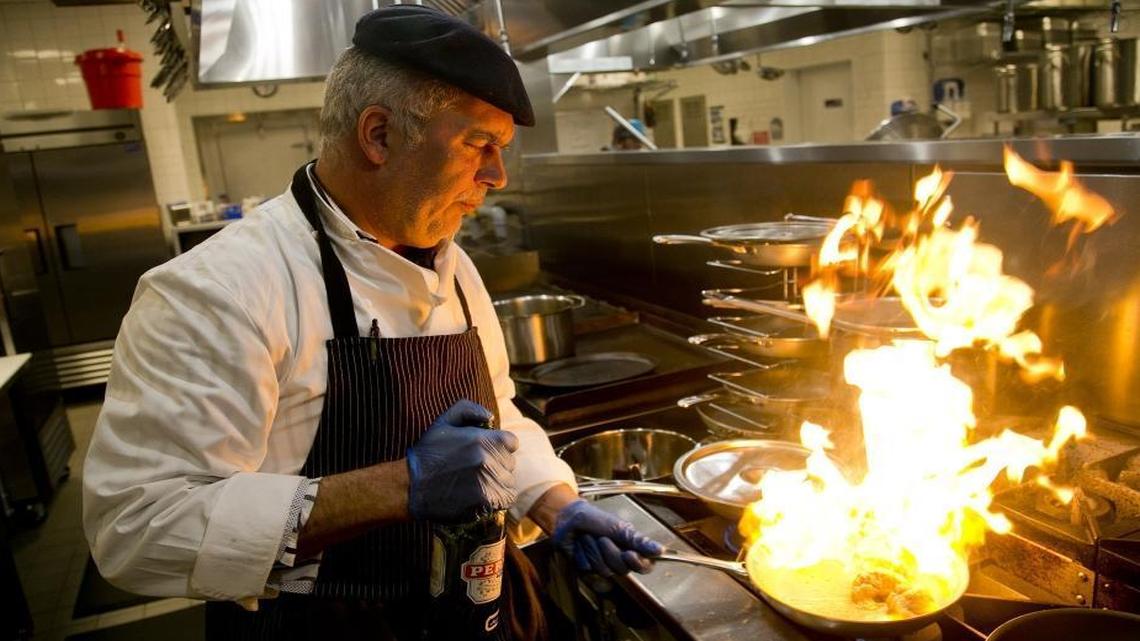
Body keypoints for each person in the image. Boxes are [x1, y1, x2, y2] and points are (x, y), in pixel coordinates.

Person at [81, 6, 662, 640]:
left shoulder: (452, 262)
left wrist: (555, 504)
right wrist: (402, 485)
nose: (497, 176)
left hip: (484, 605)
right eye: (479, 145)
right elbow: (138, 526)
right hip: (329, 624)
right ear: (379, 135)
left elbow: (498, 424)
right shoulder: (219, 289)